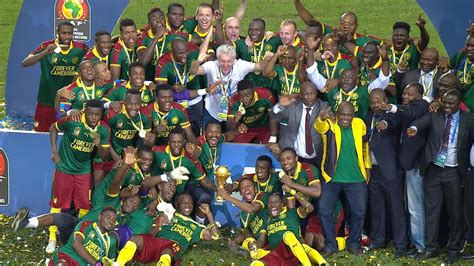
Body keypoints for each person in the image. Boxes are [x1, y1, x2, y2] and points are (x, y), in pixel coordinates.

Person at [407, 89, 474, 264]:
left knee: (455, 213)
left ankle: (454, 249)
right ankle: (431, 248)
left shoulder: (469, 119)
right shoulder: (436, 115)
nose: (447, 106)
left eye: (451, 104)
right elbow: (421, 122)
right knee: (432, 211)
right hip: (434, 170)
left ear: (459, 103)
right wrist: (414, 128)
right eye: (445, 102)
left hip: (455, 172)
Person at [48, 99, 110, 253]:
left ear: (101, 114)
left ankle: (78, 237)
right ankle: (52, 238)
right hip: (64, 168)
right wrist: (54, 150)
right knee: (57, 203)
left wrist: (99, 145)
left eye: (96, 115)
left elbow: (104, 156)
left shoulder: (104, 129)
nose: (93, 118)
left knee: (83, 205)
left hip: (83, 170)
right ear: (84, 112)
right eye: (90, 114)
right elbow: (53, 128)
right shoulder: (72, 121)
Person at [315, 102, 371, 257]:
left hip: (356, 178)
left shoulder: (359, 124)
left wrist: (367, 167)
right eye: (343, 115)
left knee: (359, 212)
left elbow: (365, 146)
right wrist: (321, 118)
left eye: (349, 115)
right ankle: (331, 245)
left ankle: (353, 243)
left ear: (353, 115)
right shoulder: (330, 124)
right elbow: (319, 127)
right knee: (324, 210)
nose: (346, 118)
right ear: (337, 114)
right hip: (332, 178)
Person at [383, 82, 429, 255]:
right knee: (408, 205)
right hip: (404, 163)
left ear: (418, 95)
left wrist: (393, 107)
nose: (405, 96)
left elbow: (411, 112)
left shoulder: (421, 105)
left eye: (409, 94)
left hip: (415, 165)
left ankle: (420, 246)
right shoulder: (408, 106)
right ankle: (413, 242)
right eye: (404, 93)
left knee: (415, 207)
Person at [115, 193, 221, 265]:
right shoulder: (168, 213)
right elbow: (151, 234)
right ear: (177, 205)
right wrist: (157, 224)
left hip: (174, 246)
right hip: (157, 241)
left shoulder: (196, 226)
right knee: (135, 239)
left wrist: (209, 214)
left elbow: (216, 237)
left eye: (190, 203)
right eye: (184, 202)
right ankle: (117, 263)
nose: (187, 205)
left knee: (167, 251)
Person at [364, 89, 408, 257]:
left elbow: (392, 123)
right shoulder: (368, 117)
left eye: (379, 102)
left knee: (397, 209)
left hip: (390, 172)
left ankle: (401, 245)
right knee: (376, 208)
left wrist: (384, 125)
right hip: (373, 171)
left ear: (385, 100)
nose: (376, 105)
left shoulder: (393, 115)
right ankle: (378, 241)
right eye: (373, 102)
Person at [22, 21, 88, 132]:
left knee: (65, 136)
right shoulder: (46, 46)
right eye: (64, 33)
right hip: (46, 101)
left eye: (70, 33)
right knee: (40, 135)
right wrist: (44, 53)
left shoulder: (81, 48)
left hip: (67, 104)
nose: (67, 37)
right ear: (57, 32)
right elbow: (25, 63)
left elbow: (94, 58)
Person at [150, 128, 216, 224]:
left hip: (180, 193)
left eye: (179, 142)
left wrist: (218, 189)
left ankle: (198, 224)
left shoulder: (189, 158)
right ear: (168, 142)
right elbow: (144, 164)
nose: (176, 145)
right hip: (161, 192)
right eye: (173, 142)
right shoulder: (158, 152)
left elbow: (204, 181)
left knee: (205, 197)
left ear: (184, 142)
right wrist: (153, 190)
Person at [189, 43, 265, 126]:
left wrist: (269, 58)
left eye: (229, 61)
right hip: (212, 111)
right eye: (222, 61)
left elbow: (260, 66)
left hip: (233, 112)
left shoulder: (241, 65)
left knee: (230, 136)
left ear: (234, 60)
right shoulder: (211, 65)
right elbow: (193, 71)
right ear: (217, 59)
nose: (225, 65)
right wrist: (199, 61)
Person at [252, 193, 324, 266]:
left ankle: (318, 263)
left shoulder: (291, 213)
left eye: (276, 202)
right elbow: (261, 240)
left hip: (296, 250)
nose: (272, 205)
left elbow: (310, 208)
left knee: (289, 236)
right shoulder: (267, 220)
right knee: (256, 260)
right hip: (277, 254)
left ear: (282, 204)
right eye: (270, 203)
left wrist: (292, 192)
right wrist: (254, 245)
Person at [155, 38, 208, 135]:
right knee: (176, 134)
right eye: (180, 53)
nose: (184, 56)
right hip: (175, 104)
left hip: (195, 102)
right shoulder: (163, 63)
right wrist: (172, 88)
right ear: (172, 52)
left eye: (186, 52)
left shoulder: (192, 49)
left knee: (194, 131)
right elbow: (160, 90)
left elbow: (203, 49)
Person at [269, 82, 328, 166]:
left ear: (316, 93)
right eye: (306, 94)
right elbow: (273, 115)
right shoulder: (293, 106)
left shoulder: (323, 107)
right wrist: (280, 105)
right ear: (300, 95)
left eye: (312, 94)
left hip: (318, 157)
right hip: (294, 157)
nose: (310, 97)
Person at [49, 207, 118, 265]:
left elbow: (110, 262)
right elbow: (76, 245)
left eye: (114, 220)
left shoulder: (111, 241)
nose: (111, 221)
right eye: (108, 218)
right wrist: (95, 263)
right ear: (100, 217)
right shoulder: (86, 225)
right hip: (67, 257)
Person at [137, 8, 191, 81]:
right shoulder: (143, 39)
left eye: (161, 18)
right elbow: (143, 62)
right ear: (149, 23)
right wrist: (156, 37)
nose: (159, 21)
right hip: (149, 83)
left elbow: (198, 39)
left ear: (165, 21)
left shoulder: (174, 35)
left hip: (171, 82)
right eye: (154, 19)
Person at [103, 89, 152, 170]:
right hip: (110, 152)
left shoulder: (146, 116)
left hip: (130, 153)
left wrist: (134, 153)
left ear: (141, 103)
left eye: (137, 104)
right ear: (124, 102)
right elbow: (104, 137)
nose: (133, 107)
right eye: (130, 104)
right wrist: (116, 158)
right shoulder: (112, 114)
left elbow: (143, 139)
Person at [388, 18, 430, 96]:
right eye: (396, 35)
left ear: (408, 37)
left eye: (402, 35)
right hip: (391, 90)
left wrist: (422, 28)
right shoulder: (387, 50)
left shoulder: (413, 49)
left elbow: (425, 41)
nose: (398, 38)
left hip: (408, 90)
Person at [227, 80, 275, 144]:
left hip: (265, 128)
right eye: (241, 96)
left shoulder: (265, 95)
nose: (245, 99)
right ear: (238, 94)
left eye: (247, 96)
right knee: (238, 146)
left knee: (269, 148)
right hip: (246, 129)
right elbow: (228, 126)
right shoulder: (234, 101)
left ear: (253, 92)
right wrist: (235, 120)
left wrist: (273, 138)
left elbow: (273, 117)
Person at [450, 33, 474, 111]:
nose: (469, 48)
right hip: (455, 103)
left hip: (470, 110)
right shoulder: (460, 56)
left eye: (473, 46)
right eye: (467, 45)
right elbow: (448, 66)